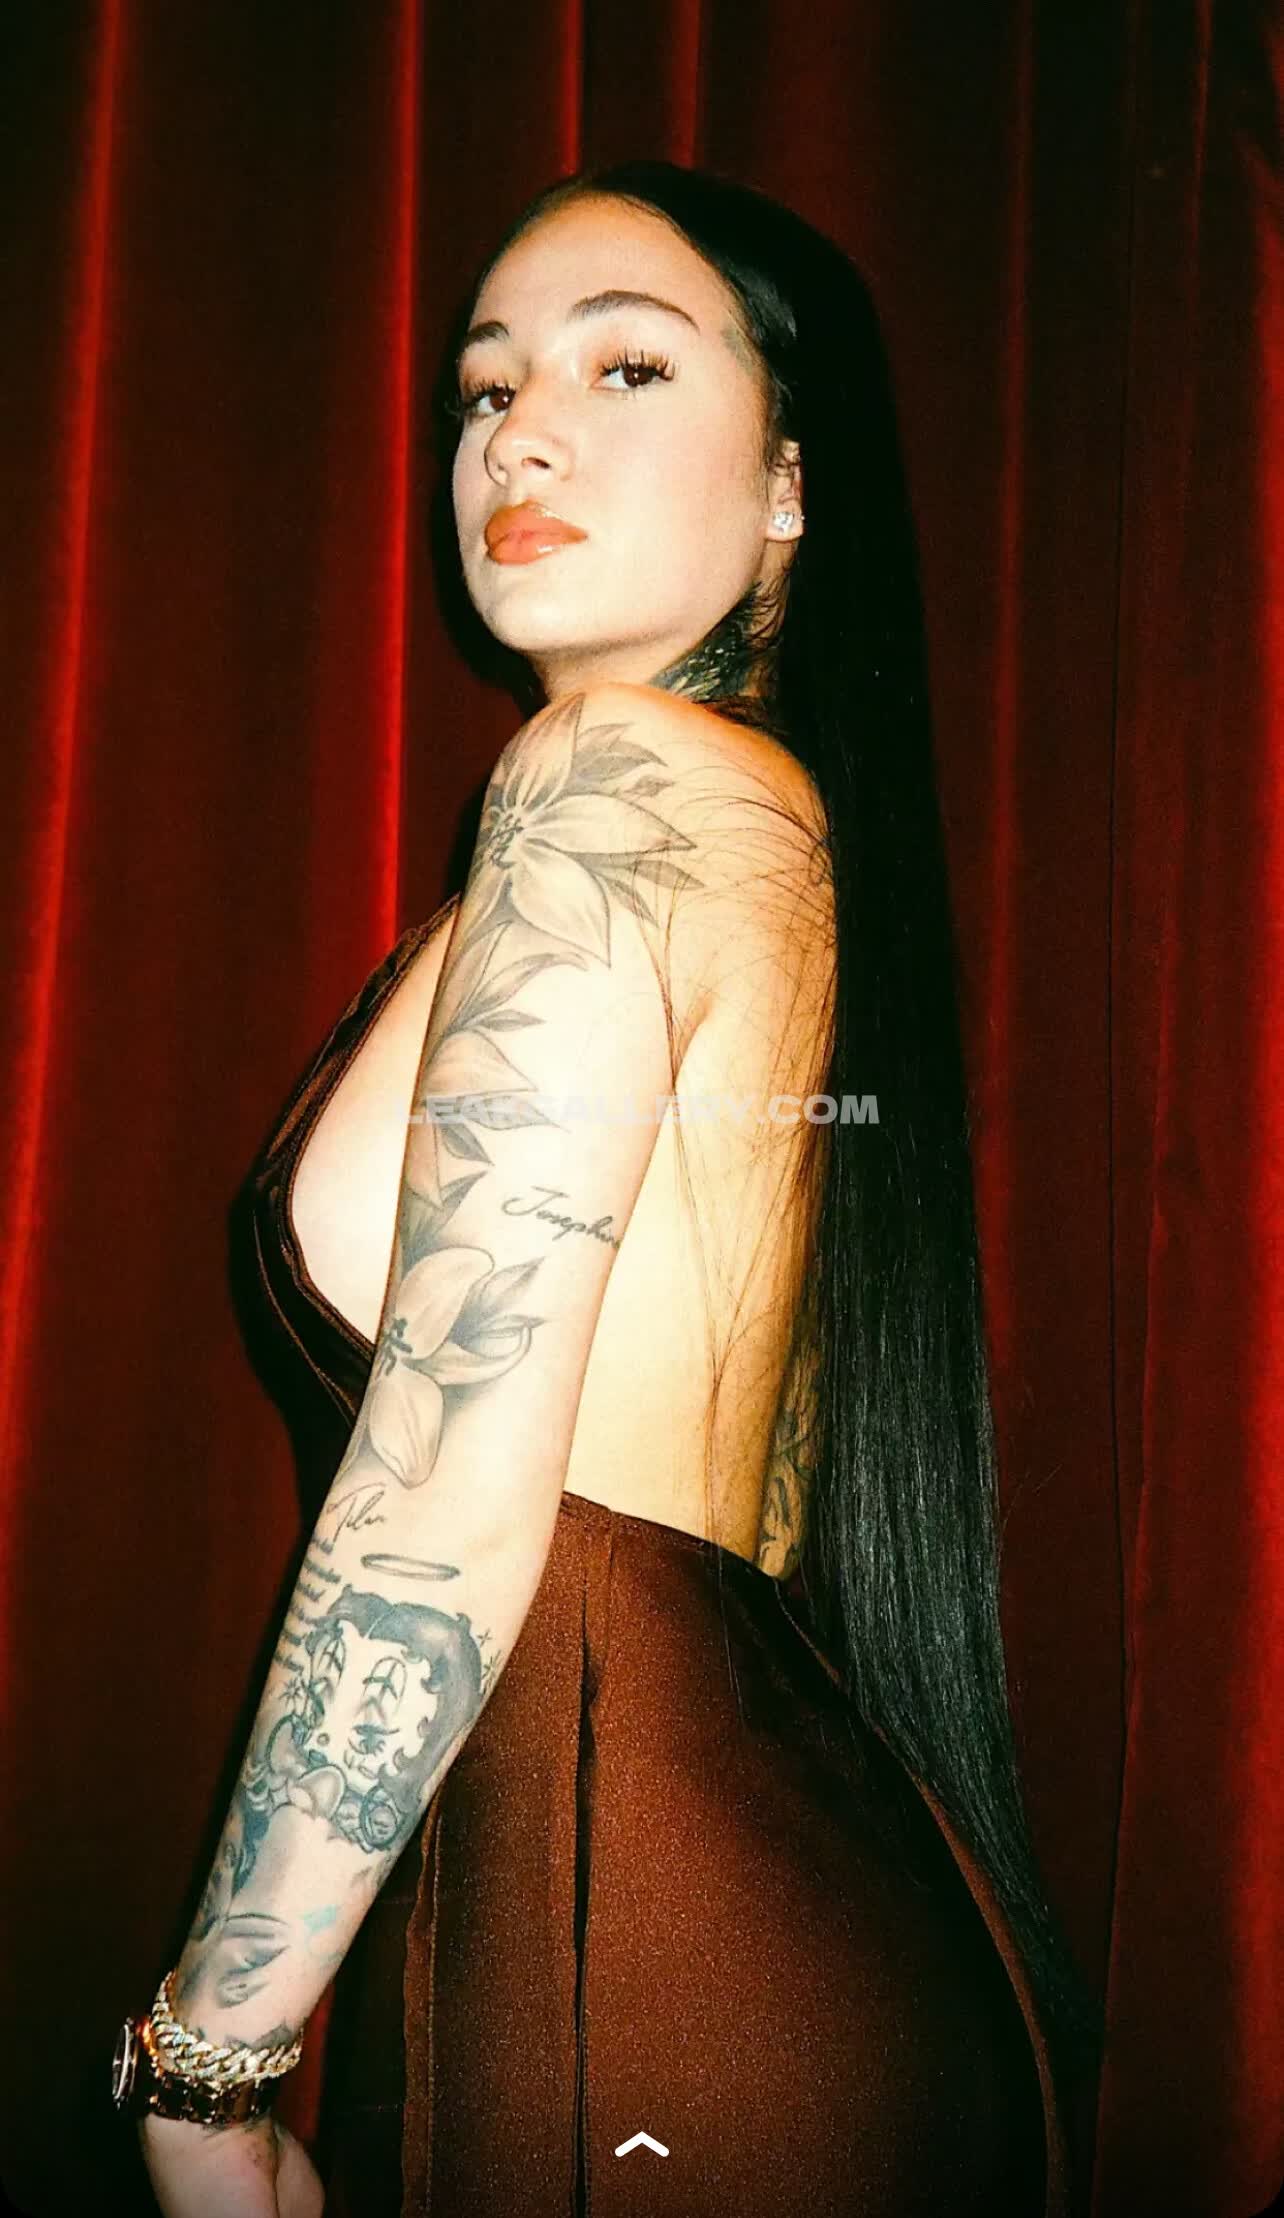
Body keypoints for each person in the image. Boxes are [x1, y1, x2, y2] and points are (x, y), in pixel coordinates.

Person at [120, 160, 1102, 2217]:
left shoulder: (618, 781)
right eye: (486, 390)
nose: (523, 433)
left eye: (625, 366)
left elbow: (449, 1486)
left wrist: (207, 2061)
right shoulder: (753, 831)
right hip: (763, 1938)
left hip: (639, 1981)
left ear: (791, 484)